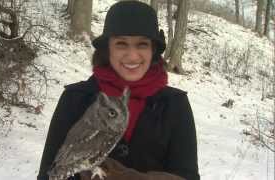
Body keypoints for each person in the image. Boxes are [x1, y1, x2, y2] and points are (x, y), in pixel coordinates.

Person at [37, 1, 200, 180]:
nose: (132, 55)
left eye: (142, 44)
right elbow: (49, 173)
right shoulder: (75, 99)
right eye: (121, 43)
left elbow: (188, 176)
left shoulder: (174, 104)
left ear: (153, 50)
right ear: (108, 48)